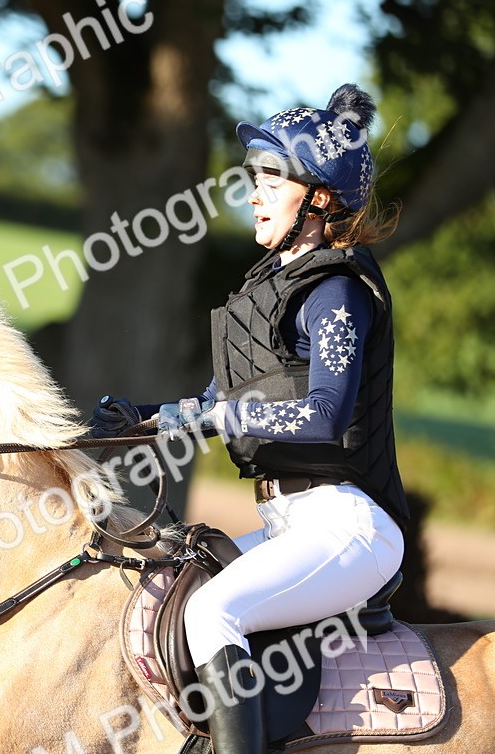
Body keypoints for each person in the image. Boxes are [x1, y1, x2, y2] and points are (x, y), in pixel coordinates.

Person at [92, 84, 408, 754]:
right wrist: (139, 419)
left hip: (352, 526)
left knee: (214, 610)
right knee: (174, 596)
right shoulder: (265, 291)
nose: (254, 194)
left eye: (272, 179)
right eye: (253, 180)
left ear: (319, 198)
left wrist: (223, 416)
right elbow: (211, 408)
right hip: (288, 524)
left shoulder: (339, 294)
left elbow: (326, 416)